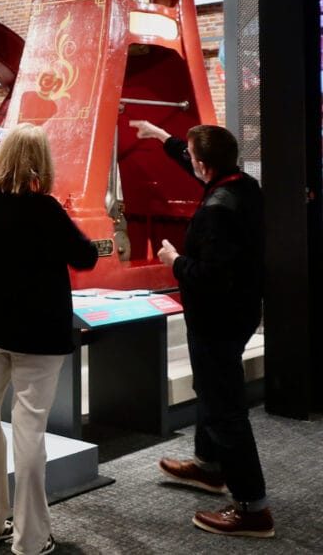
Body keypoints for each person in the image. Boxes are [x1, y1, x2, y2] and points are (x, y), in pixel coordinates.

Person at [0, 123, 98, 554]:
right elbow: (86, 256)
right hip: (38, 336)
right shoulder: (46, 210)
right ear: (42, 163)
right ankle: (30, 540)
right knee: (29, 432)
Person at [130, 120, 273, 538]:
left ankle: (252, 508)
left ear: (204, 167)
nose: (188, 161)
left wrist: (173, 259)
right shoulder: (242, 184)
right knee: (211, 389)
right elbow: (198, 160)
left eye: (190, 157)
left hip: (217, 319)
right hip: (239, 313)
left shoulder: (215, 211)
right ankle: (210, 468)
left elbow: (211, 276)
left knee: (225, 408)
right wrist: (161, 137)